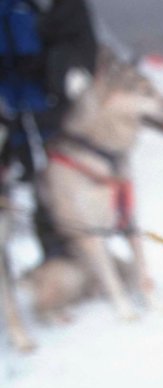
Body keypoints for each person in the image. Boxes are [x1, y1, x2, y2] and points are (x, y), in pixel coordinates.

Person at [0, 0, 98, 258]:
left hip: (53, 101)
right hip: (14, 109)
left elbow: (81, 41)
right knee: (32, 184)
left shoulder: (61, 6)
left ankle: (68, 253)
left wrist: (70, 73)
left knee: (60, 184)